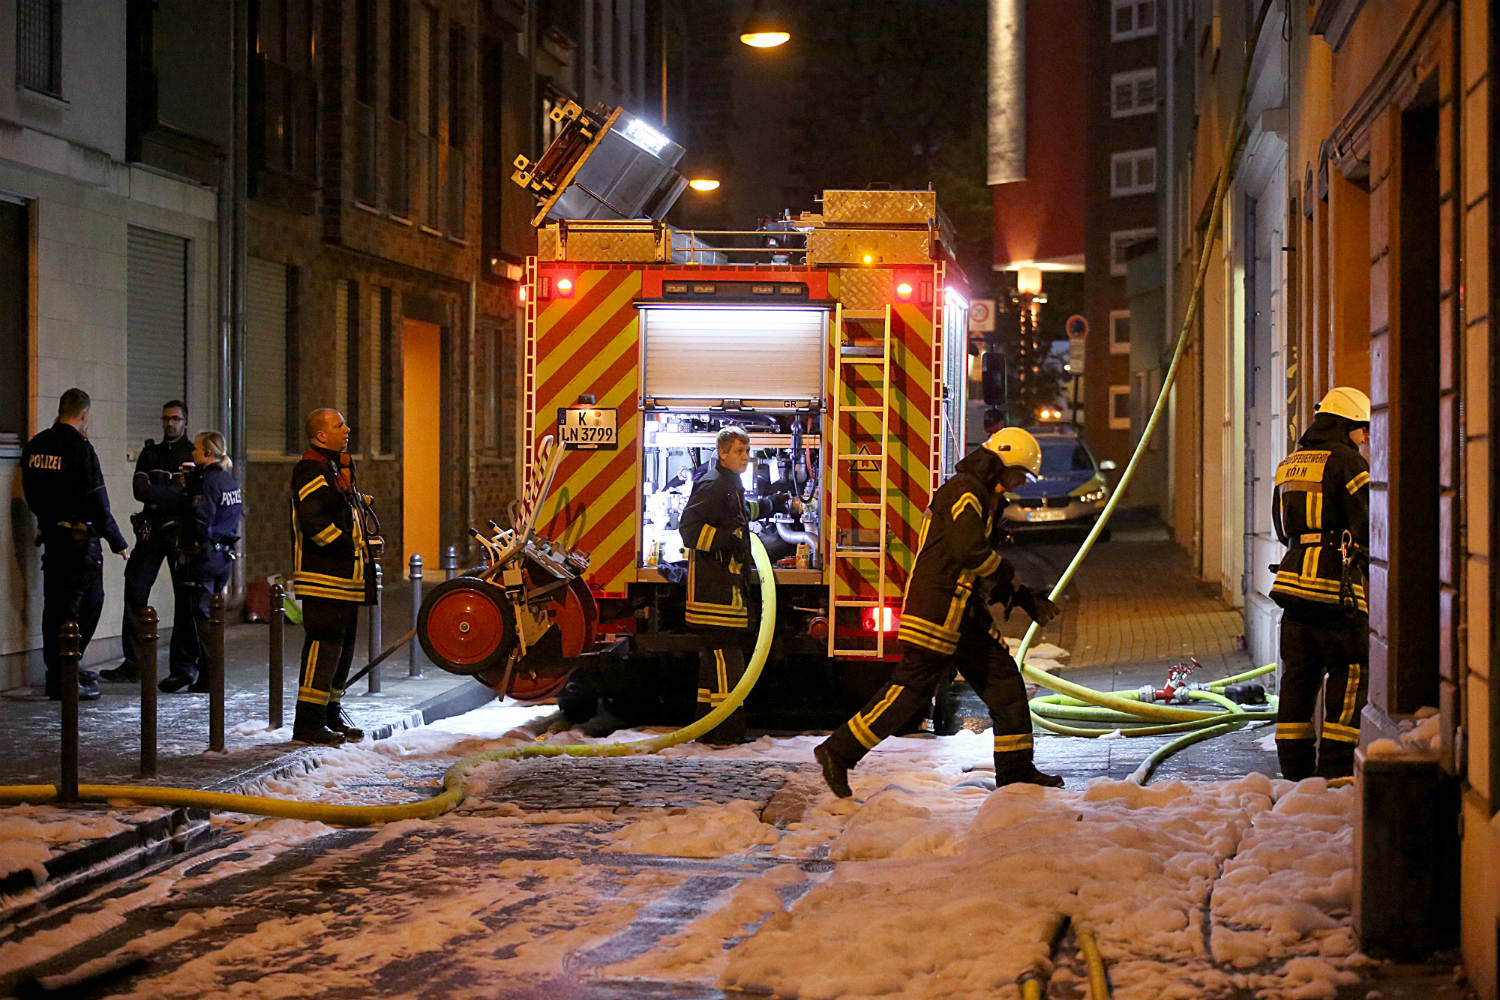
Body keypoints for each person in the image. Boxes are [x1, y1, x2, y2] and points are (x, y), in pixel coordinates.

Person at [814, 427, 1064, 798]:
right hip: (938, 612)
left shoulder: (982, 494)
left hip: (961, 614)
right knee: (909, 692)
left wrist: (1021, 596)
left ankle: (1016, 772)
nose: (1018, 484)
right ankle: (837, 751)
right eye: (1018, 475)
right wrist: (1012, 583)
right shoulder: (966, 493)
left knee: (1004, 684)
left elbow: (973, 564)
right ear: (1001, 463)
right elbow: (969, 552)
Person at [1269, 386, 1371, 780]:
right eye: (1361, 429)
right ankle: (1336, 770)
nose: (1364, 437)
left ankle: (1294, 771)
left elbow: (1281, 529)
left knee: (1298, 677)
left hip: (1293, 586)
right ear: (1346, 425)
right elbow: (1368, 521)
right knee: (1350, 674)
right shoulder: (1350, 462)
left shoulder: (1289, 463)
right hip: (1336, 589)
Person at [677, 426, 796, 744]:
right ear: (723, 454)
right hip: (713, 593)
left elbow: (741, 513)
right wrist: (727, 540)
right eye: (739, 451)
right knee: (727, 658)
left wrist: (776, 504)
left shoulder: (728, 484)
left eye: (747, 451)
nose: (746, 456)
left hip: (724, 589)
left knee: (714, 659)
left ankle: (707, 726)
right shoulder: (712, 485)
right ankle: (726, 731)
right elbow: (689, 529)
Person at [21, 388, 129, 701]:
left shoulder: (36, 445)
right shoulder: (80, 448)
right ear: (83, 415)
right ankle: (65, 674)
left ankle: (60, 670)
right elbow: (98, 500)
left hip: (53, 538)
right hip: (80, 543)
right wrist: (117, 541)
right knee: (88, 604)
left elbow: (32, 493)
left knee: (55, 607)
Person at [289, 409, 376, 745]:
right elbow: (314, 523)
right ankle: (308, 722)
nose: (347, 428)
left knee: (342, 648)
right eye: (339, 425)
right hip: (324, 575)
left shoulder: (334, 466)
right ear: (320, 436)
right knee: (323, 647)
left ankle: (329, 712)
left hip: (346, 576)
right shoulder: (311, 469)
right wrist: (347, 546)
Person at [102, 400, 196, 686]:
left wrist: (161, 493)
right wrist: (174, 490)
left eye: (176, 419)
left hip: (180, 532)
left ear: (185, 422)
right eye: (166, 418)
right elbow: (139, 490)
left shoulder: (192, 454)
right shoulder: (150, 452)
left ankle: (183, 666)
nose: (170, 424)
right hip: (152, 531)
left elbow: (189, 495)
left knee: (185, 597)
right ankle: (134, 663)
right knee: (135, 587)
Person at [159, 431, 243, 692]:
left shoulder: (207, 482)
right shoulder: (229, 481)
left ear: (207, 452)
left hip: (205, 556)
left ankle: (209, 675)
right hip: (223, 555)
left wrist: (188, 541)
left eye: (196, 449)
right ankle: (203, 673)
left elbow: (201, 519)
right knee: (211, 617)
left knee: (200, 620)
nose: (193, 454)